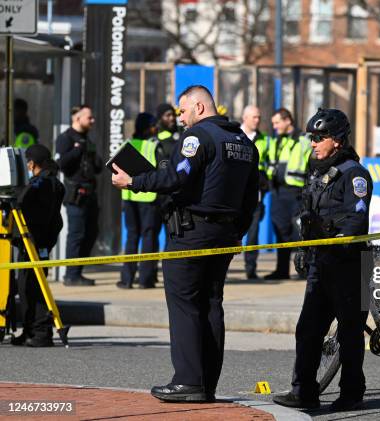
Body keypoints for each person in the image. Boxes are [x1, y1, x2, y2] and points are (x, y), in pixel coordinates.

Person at [111, 85, 259, 403]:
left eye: (183, 109)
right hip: (224, 235)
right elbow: (251, 198)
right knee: (211, 306)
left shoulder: (198, 137)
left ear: (199, 108)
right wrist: (237, 233)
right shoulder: (244, 143)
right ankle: (206, 384)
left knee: (184, 306)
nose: (180, 116)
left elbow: (175, 179)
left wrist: (133, 181)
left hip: (191, 234)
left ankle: (189, 382)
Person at [273, 109, 373, 412]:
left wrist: (331, 235)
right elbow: (307, 211)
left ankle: (352, 392)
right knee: (308, 329)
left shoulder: (355, 174)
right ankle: (304, 391)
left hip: (350, 262)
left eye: (319, 137)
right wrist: (304, 248)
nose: (313, 143)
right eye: (311, 138)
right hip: (322, 261)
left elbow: (356, 219)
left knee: (349, 331)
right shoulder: (316, 169)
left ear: (338, 140)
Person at [11, 144, 65, 347]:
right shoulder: (51, 182)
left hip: (35, 241)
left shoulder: (42, 183)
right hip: (37, 241)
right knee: (26, 287)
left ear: (32, 163)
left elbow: (24, 202)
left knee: (35, 288)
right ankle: (30, 329)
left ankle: (42, 332)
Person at [55, 105, 102, 286]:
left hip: (90, 193)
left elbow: (95, 167)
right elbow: (60, 164)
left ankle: (78, 272)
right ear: (77, 118)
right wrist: (77, 150)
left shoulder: (87, 139)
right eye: (89, 117)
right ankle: (71, 274)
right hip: (76, 194)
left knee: (91, 233)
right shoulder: (65, 138)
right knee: (76, 234)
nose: (92, 121)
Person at [117, 113, 162, 290]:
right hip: (148, 198)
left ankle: (126, 279)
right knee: (149, 237)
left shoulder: (126, 144)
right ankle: (146, 279)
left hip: (129, 198)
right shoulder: (154, 146)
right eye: (153, 125)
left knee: (132, 237)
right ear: (146, 127)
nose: (155, 128)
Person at [265, 108, 311, 280]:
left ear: (287, 121)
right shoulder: (277, 140)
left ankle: (305, 268)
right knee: (280, 232)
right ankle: (281, 270)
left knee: (302, 231)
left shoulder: (304, 140)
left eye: (277, 123)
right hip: (278, 192)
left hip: (297, 192)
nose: (275, 126)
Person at [240, 105, 270, 280]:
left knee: (253, 233)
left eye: (259, 117)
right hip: (236, 192)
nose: (257, 120)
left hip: (255, 193)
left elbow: (267, 164)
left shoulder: (264, 140)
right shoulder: (235, 136)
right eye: (254, 117)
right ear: (245, 118)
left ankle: (251, 269)